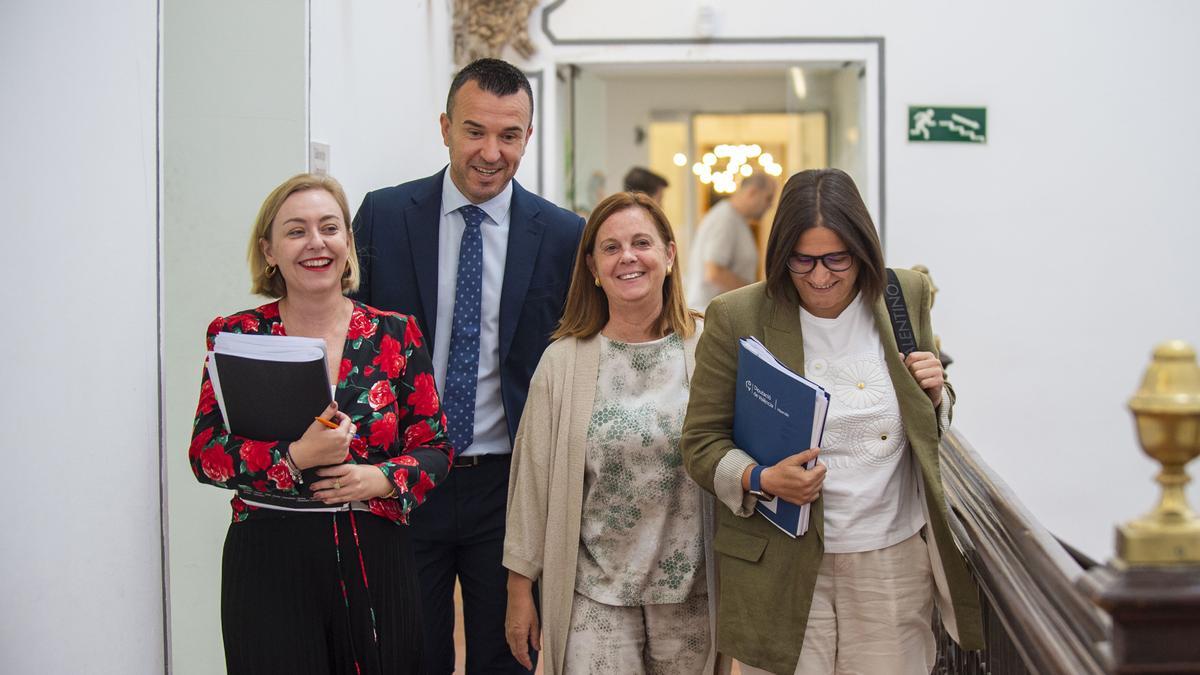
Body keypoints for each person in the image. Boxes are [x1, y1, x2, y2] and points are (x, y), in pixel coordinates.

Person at [680, 168, 983, 674]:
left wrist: (936, 394)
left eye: (836, 259)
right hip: (780, 559)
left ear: (863, 251)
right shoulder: (738, 315)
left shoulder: (903, 295)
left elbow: (933, 407)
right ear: (780, 255)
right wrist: (761, 478)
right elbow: (700, 442)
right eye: (802, 260)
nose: (820, 276)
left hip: (890, 555)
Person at [351, 57, 585, 673]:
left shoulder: (563, 235)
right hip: (405, 478)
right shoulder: (383, 214)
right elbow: (350, 340)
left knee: (507, 656)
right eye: (474, 130)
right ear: (445, 127)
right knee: (407, 653)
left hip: (509, 486)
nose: (491, 151)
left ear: (527, 137)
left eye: (509, 135)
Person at [188, 173, 453, 674]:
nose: (316, 243)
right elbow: (205, 453)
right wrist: (295, 459)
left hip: (376, 555)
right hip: (268, 560)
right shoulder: (238, 333)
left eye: (330, 228)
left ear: (348, 243)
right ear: (269, 251)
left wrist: (379, 478)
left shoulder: (394, 333)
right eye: (296, 231)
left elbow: (435, 447)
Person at [502, 192, 720, 675]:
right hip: (594, 592)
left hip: (692, 593)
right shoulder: (562, 362)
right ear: (593, 267)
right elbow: (531, 485)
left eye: (642, 242)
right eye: (611, 247)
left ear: (669, 253)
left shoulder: (708, 349)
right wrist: (521, 591)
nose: (628, 257)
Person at [684, 172, 777, 310]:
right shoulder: (725, 219)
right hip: (710, 314)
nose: (770, 205)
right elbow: (714, 273)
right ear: (752, 193)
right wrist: (757, 296)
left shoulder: (736, 219)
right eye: (768, 198)